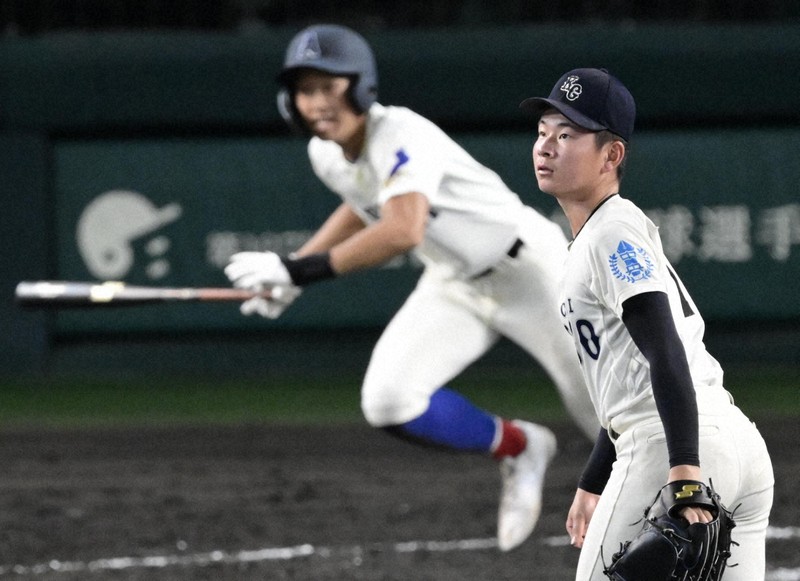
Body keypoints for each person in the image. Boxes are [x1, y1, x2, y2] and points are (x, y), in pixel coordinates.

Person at [224, 24, 599, 552]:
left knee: (608, 420)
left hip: (534, 274)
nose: (318, 101)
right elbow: (363, 208)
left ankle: (690, 525)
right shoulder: (326, 154)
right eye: (307, 89)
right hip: (456, 282)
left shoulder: (399, 132)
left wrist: (298, 271)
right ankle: (519, 447)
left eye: (331, 85)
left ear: (360, 86)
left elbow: (402, 228)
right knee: (388, 400)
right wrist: (294, 271)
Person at [520, 67, 775, 579]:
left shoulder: (611, 232)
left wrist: (684, 474)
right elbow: (631, 381)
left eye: (567, 135)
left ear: (611, 155)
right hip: (738, 448)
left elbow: (665, 353)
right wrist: (595, 480)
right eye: (543, 132)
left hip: (671, 446)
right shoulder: (606, 233)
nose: (546, 147)